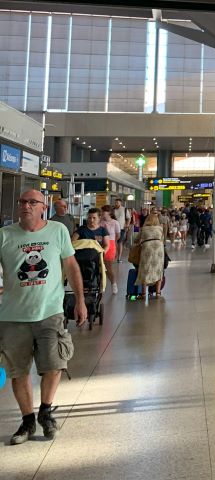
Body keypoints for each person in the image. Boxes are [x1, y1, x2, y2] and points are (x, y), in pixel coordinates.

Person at [0, 188, 86, 444]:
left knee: (54, 364)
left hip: (50, 313)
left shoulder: (57, 231)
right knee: (18, 371)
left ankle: (45, 411)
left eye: (32, 202)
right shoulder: (4, 235)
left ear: (43, 207)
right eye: (22, 201)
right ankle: (27, 421)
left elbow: (71, 265)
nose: (25, 206)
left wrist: (80, 300)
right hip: (13, 316)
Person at [136, 212, 166, 301]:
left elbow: (136, 239)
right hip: (159, 249)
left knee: (145, 269)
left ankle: (143, 293)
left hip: (147, 248)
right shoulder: (160, 228)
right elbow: (163, 239)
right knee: (158, 269)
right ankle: (158, 293)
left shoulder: (143, 229)